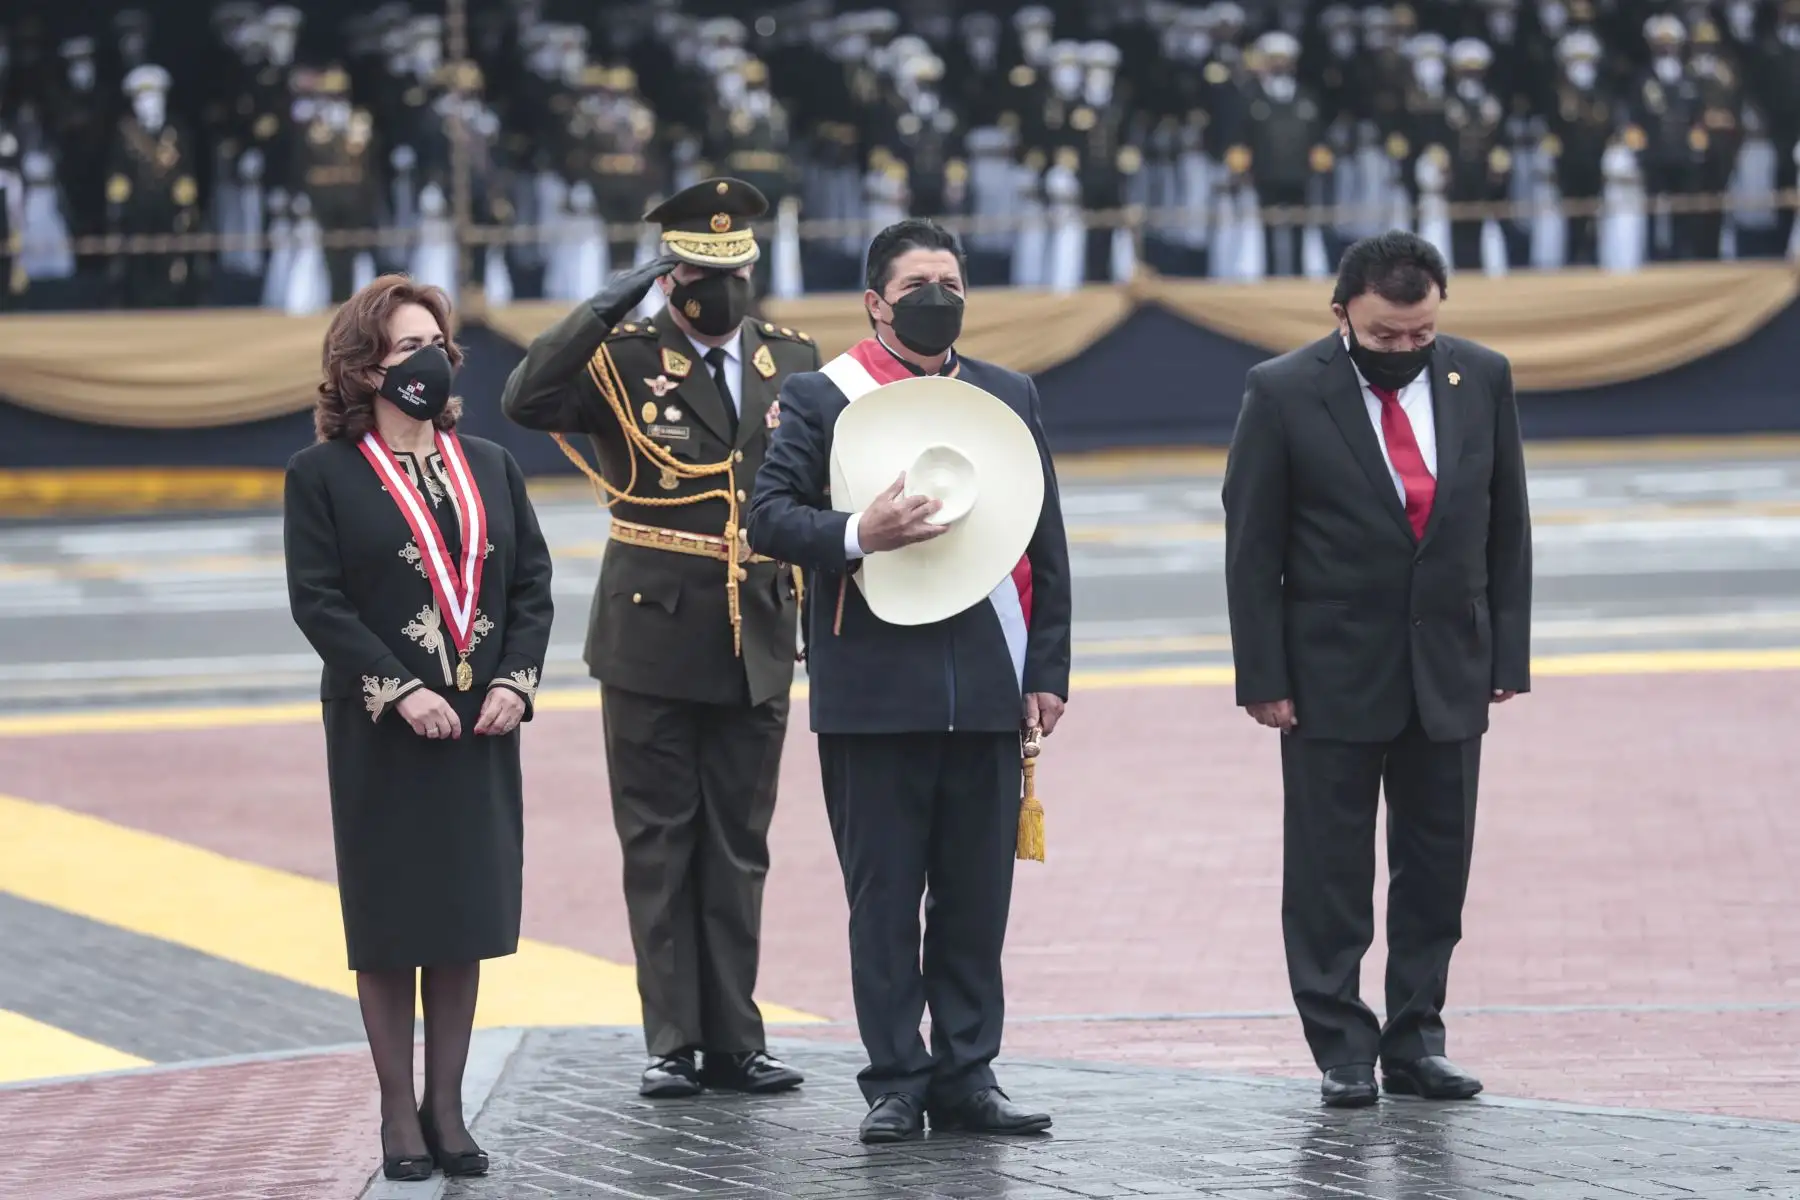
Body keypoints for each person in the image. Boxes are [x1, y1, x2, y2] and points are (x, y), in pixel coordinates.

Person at [745, 218, 1073, 1144]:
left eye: (952, 282)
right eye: (919, 282)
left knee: (975, 895)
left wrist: (1046, 668)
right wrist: (859, 533)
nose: (940, 297)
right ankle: (895, 1078)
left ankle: (969, 1075)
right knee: (884, 897)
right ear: (876, 303)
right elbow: (769, 519)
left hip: (986, 684)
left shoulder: (1008, 394)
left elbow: (1044, 543)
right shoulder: (820, 396)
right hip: (872, 686)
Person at [501, 177, 818, 1099]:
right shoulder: (621, 357)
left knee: (739, 845)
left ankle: (738, 1039)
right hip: (651, 632)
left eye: (739, 271)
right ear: (672, 280)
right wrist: (608, 302)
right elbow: (525, 396)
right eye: (703, 275)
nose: (726, 292)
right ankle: (672, 1042)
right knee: (659, 841)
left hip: (757, 628)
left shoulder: (791, 361)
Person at [1220, 231, 1532, 1109]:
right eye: (1386, 335)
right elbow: (1253, 548)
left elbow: (1507, 522)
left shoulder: (1483, 377)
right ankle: (1341, 1046)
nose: (1405, 349)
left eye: (1420, 334)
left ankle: (1416, 1037)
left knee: (1437, 866)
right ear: (1343, 315)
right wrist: (1264, 676)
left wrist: (1507, 653)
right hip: (1329, 673)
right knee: (1329, 870)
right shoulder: (1282, 392)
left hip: (1450, 668)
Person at [284, 275, 554, 1180]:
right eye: (406, 348)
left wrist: (516, 681)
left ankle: (449, 1108)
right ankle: (398, 1115)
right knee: (395, 918)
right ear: (363, 368)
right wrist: (400, 690)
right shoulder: (321, 474)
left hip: (482, 725)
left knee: (463, 915)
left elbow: (531, 587)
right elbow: (318, 604)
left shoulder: (489, 463)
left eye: (436, 342)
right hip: (382, 729)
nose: (427, 360)